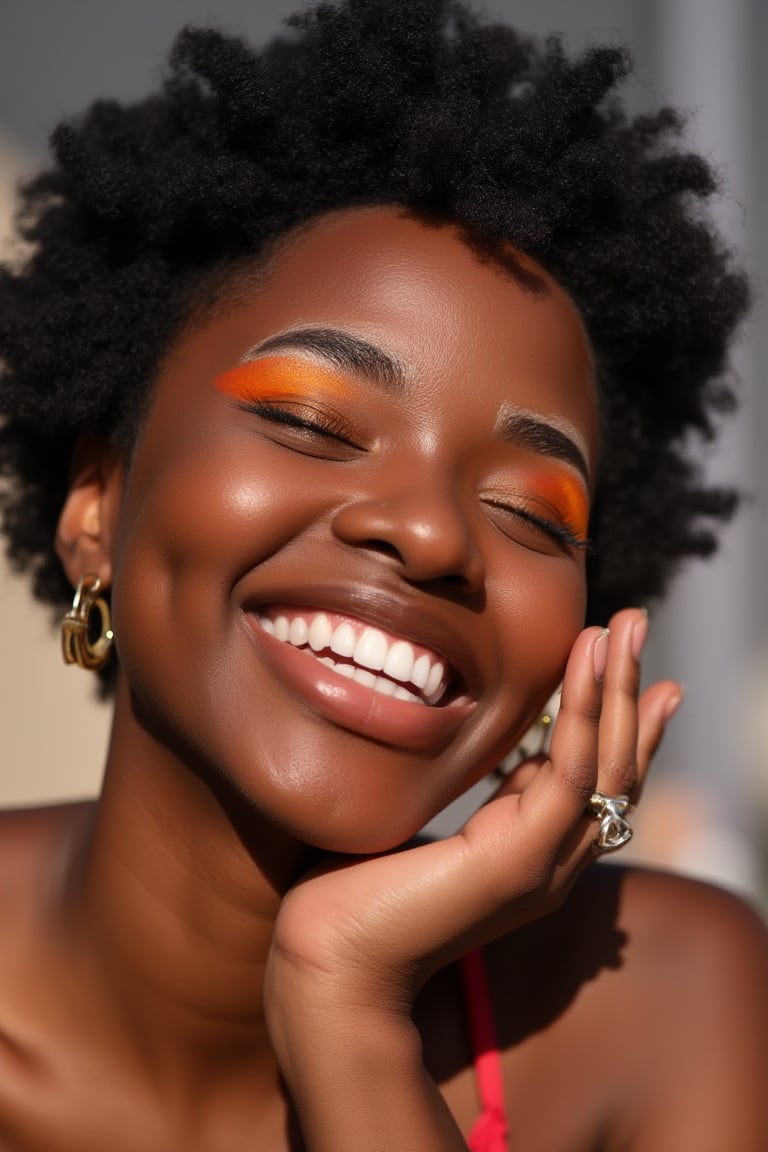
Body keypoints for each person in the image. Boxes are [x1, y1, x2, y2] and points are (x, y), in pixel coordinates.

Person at [0, 1, 766, 1148]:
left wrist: (343, 1003)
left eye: (530, 511)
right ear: (96, 505)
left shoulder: (669, 998)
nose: (434, 537)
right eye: (314, 421)